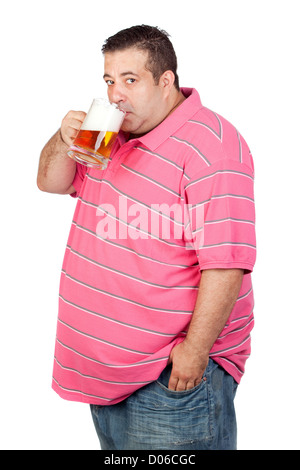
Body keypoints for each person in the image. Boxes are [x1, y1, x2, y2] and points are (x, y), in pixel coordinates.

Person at [37, 25, 256, 450]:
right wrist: (63, 139)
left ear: (166, 80)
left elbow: (226, 262)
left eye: (130, 80)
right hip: (104, 373)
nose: (115, 94)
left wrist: (194, 353)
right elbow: (48, 181)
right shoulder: (109, 137)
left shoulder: (213, 146)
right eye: (109, 80)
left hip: (168, 376)